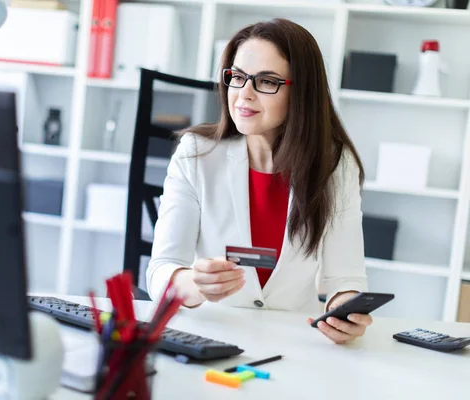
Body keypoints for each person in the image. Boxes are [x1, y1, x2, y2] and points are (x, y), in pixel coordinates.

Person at [146, 19, 372, 344]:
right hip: (211, 336)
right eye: (237, 77)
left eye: (266, 81)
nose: (243, 94)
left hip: (295, 342)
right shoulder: (196, 153)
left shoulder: (335, 165)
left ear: (301, 92)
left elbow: (345, 278)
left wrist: (344, 312)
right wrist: (194, 283)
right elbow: (161, 270)